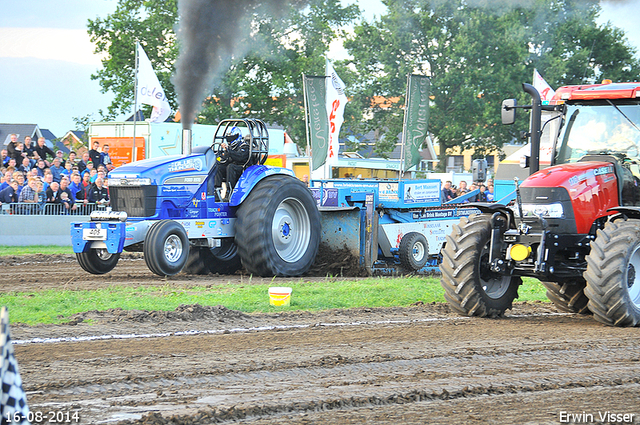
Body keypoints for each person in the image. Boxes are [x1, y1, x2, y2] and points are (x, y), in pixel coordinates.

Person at [214, 127, 249, 201]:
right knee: (218, 167)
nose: (230, 140)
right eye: (229, 138)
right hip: (231, 170)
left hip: (243, 168)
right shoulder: (229, 148)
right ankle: (216, 192)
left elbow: (240, 157)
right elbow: (225, 160)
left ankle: (229, 192)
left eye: (232, 138)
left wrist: (228, 150)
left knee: (230, 167)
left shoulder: (244, 146)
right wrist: (218, 157)